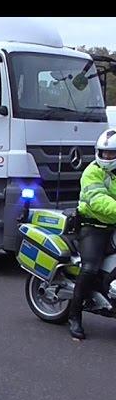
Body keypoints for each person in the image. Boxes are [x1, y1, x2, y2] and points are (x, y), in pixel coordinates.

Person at [71, 128, 116, 339]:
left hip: (113, 224)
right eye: (104, 153)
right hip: (93, 226)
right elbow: (98, 201)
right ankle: (75, 316)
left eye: (111, 154)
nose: (107, 158)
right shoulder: (92, 172)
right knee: (89, 268)